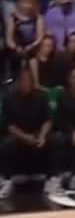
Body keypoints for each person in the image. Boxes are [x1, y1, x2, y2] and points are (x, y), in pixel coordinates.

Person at [1, 65, 58, 198]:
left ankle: (52, 179)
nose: (26, 83)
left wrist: (42, 136)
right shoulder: (9, 98)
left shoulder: (42, 95)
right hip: (18, 134)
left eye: (29, 80)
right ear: (18, 82)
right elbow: (9, 125)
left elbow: (48, 120)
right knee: (7, 144)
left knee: (54, 140)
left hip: (37, 133)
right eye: (23, 80)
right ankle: (8, 180)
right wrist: (25, 137)